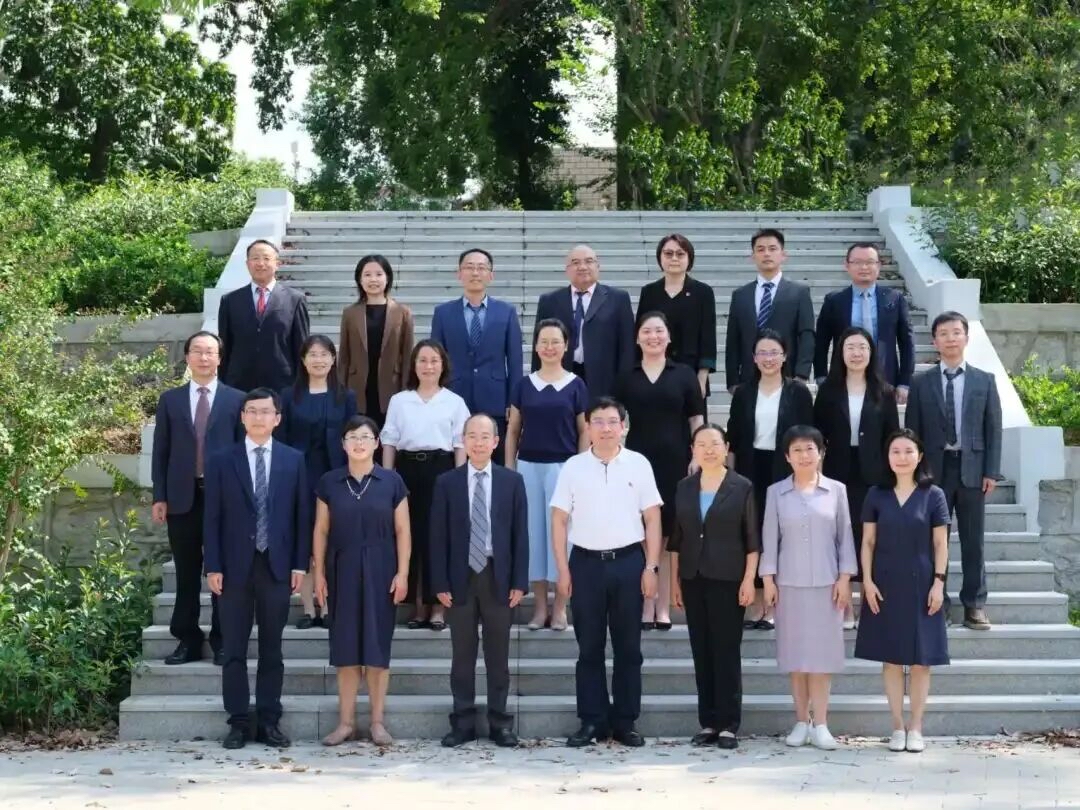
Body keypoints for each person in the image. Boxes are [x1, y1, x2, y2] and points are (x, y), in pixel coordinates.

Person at [551, 397, 663, 748]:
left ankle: (625, 721)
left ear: (623, 426)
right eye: (598, 421)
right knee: (589, 647)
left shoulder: (639, 464)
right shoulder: (573, 467)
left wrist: (651, 566)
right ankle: (592, 721)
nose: (605, 428)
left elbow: (653, 518)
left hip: (629, 562)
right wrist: (562, 569)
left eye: (612, 421)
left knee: (629, 647)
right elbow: (559, 519)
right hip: (585, 564)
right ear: (588, 427)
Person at [203, 388, 312, 750]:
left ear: (277, 419)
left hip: (277, 566)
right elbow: (212, 517)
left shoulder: (293, 460)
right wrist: (213, 565)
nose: (259, 417)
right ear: (242, 417)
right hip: (233, 568)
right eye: (252, 411)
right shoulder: (222, 460)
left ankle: (269, 721)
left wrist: (299, 564)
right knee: (233, 649)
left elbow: (301, 517)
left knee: (272, 649)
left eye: (266, 412)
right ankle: (237, 722)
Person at [431, 414, 529, 748]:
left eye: (485, 436)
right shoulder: (447, 482)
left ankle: (500, 723)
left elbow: (520, 535)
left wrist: (519, 581)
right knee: (462, 655)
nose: (478, 442)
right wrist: (440, 582)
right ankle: (463, 723)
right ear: (463, 440)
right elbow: (437, 536)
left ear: (496, 442)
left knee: (498, 655)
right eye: (471, 435)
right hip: (459, 577)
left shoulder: (511, 482)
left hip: (497, 575)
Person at [312, 416, 410, 747]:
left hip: (382, 568)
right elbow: (321, 530)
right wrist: (319, 574)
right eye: (352, 437)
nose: (358, 443)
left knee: (377, 648)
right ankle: (346, 723)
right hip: (341, 567)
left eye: (365, 437)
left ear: (377, 443)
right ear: (343, 444)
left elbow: (403, 531)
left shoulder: (392, 481)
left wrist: (403, 573)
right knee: (346, 648)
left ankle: (378, 722)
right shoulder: (329, 482)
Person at [760, 425, 857, 751]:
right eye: (797, 450)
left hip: (827, 585)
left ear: (821, 453)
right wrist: (768, 580)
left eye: (810, 449)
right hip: (788, 584)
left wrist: (845, 578)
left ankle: (822, 723)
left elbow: (845, 537)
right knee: (796, 656)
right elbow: (769, 538)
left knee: (822, 657)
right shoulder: (776, 493)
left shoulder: (837, 491)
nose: (804, 455)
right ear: (787, 457)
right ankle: (801, 721)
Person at [151, 331, 245, 666]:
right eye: (197, 351)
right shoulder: (170, 400)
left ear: (220, 358)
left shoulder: (238, 400)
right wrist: (160, 495)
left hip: (224, 500)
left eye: (210, 352)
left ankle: (223, 639)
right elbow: (161, 451)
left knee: (224, 572)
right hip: (181, 499)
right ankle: (187, 639)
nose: (204, 357)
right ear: (187, 357)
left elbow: (243, 453)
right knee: (186, 572)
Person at [905, 311, 1002, 630]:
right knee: (934, 540)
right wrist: (914, 473)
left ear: (966, 338)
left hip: (973, 470)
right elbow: (912, 431)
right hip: (934, 471)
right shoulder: (921, 382)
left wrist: (991, 471)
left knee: (974, 541)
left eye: (956, 332)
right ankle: (938, 602)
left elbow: (993, 430)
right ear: (934, 341)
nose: (950, 338)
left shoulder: (984, 380)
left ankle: (975, 604)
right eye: (943, 334)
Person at [855, 429, 950, 754]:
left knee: (922, 661)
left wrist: (939, 583)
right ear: (887, 457)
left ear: (919, 456)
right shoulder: (876, 494)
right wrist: (867, 581)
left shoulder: (934, 495)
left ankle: (917, 727)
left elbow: (941, 543)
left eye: (908, 451)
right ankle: (897, 726)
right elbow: (868, 542)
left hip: (923, 583)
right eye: (895, 451)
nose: (902, 457)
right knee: (892, 660)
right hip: (884, 584)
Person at [613, 312, 705, 631]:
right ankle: (645, 603)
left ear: (668, 337)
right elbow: (615, 419)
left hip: (674, 462)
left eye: (659, 331)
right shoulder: (626, 376)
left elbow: (696, 418)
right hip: (635, 463)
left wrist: (697, 455)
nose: (653, 336)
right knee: (641, 531)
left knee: (666, 534)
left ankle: (662, 605)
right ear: (637, 338)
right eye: (647, 331)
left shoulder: (684, 374)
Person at [670, 424, 759, 749]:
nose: (708, 450)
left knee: (726, 650)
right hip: (693, 577)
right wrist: (675, 582)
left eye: (715, 444)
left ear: (726, 448)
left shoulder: (742, 486)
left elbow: (752, 539)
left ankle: (728, 724)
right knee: (701, 650)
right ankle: (708, 721)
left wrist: (749, 579)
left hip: (729, 579)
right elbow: (677, 539)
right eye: (701, 444)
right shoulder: (684, 487)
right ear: (693, 449)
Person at [504, 319, 588, 631]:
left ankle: (560, 607)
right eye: (544, 341)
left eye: (556, 341)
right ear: (536, 347)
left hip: (563, 468)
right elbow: (513, 430)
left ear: (566, 346)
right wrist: (510, 469)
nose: (549, 347)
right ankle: (540, 608)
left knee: (561, 539)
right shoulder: (524, 385)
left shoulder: (576, 385)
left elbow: (584, 431)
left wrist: (580, 467)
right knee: (534, 537)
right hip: (528, 467)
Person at [813, 327, 900, 628]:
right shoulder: (828, 390)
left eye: (862, 347)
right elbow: (816, 433)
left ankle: (868, 599)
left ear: (871, 352)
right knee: (841, 536)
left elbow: (892, 436)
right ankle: (844, 605)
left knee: (868, 536)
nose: (856, 353)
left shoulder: (884, 392)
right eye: (850, 347)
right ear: (840, 352)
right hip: (837, 471)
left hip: (873, 474)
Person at [726, 330, 813, 629]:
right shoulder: (744, 393)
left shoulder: (798, 392)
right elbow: (733, 437)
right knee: (752, 534)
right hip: (750, 469)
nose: (768, 358)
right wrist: (730, 477)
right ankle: (755, 603)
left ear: (785, 356)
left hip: (786, 470)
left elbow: (808, 437)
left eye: (774, 352)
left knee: (780, 534)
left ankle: (776, 604)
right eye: (762, 353)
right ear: (753, 358)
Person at [380, 340, 470, 631]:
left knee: (438, 537)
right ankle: (417, 605)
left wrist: (460, 479)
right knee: (411, 536)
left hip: (441, 470)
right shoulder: (400, 401)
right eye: (422, 360)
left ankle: (438, 607)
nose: (428, 366)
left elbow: (460, 443)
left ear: (443, 365)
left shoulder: (454, 402)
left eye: (434, 360)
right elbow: (389, 440)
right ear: (414, 365)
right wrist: (386, 478)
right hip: (407, 471)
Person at [276, 335, 358, 629]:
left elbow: (354, 437)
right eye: (313, 354)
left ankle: (331, 605)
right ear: (303, 360)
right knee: (306, 540)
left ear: (333, 359)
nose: (319, 360)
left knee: (334, 540)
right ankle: (310, 608)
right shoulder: (288, 396)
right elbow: (281, 439)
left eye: (325, 354)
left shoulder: (346, 396)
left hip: (337, 476)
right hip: (299, 477)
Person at [431, 248, 523, 465]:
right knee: (454, 462)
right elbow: (436, 358)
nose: (475, 273)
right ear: (459, 273)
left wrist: (513, 401)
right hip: (454, 396)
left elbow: (515, 360)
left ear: (491, 275)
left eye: (481, 268)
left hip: (495, 399)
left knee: (495, 461)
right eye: (469, 267)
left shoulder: (506, 312)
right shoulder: (443, 313)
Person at [814, 243, 915, 401]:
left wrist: (904, 382)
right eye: (857, 262)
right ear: (847, 266)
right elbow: (821, 342)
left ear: (879, 265)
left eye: (870, 262)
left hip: (885, 378)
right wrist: (821, 376)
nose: (864, 267)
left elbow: (907, 342)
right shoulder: (834, 301)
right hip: (843, 378)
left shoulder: (894, 299)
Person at [532, 244, 635, 398]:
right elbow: (539, 346)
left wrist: (623, 387)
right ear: (567, 270)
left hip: (603, 381)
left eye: (588, 261)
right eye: (575, 262)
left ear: (598, 266)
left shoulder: (618, 299)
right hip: (560, 378)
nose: (582, 267)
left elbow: (627, 347)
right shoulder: (549, 301)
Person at [725, 228, 814, 390]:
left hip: (788, 376)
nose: (766, 254)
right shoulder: (740, 295)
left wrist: (801, 375)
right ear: (753, 256)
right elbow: (733, 340)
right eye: (760, 249)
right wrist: (732, 381)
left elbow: (806, 334)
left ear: (783, 255)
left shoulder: (799, 293)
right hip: (748, 379)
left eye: (772, 249)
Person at [218, 240, 310, 393]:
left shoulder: (295, 300)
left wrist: (301, 387)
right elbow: (224, 347)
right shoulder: (230, 301)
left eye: (266, 258)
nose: (260, 263)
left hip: (282, 385)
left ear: (277, 264)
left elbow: (302, 347)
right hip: (238, 385)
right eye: (255, 258)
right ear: (247, 264)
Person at [338, 254, 415, 428]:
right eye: (367, 275)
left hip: (391, 388)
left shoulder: (402, 313)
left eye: (379, 274)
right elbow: (344, 357)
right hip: (358, 388)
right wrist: (341, 390)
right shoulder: (350, 313)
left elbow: (408, 356)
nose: (373, 279)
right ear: (360, 280)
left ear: (387, 278)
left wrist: (407, 391)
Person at [636, 234, 717, 398]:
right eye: (668, 253)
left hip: (690, 371)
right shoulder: (649, 292)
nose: (674, 258)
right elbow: (640, 332)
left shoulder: (703, 292)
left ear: (689, 258)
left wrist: (702, 378)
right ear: (660, 257)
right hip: (654, 371)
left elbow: (708, 337)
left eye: (680, 254)